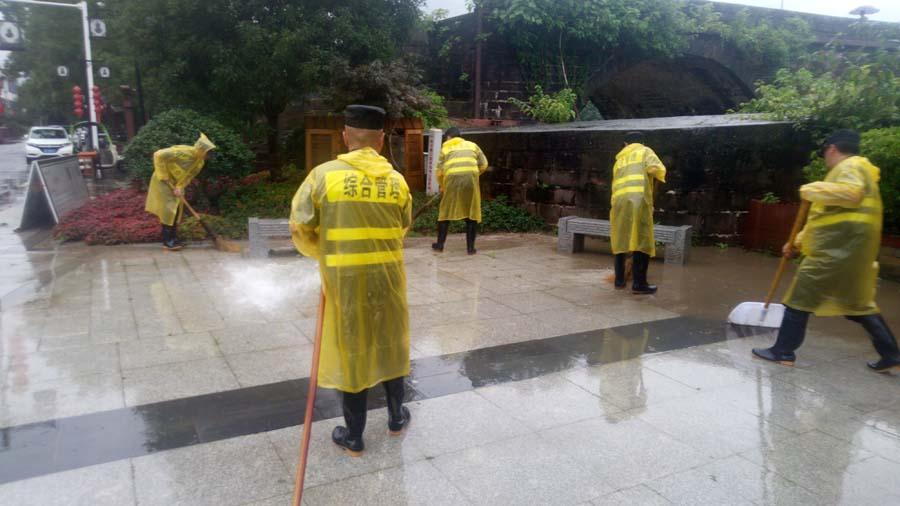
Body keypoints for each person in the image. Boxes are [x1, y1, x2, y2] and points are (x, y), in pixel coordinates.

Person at [290, 105, 413, 456]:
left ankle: (354, 437)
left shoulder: (323, 176)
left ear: (345, 137)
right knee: (391, 342)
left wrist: (323, 253)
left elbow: (299, 226)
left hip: (345, 281)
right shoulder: (397, 181)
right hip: (389, 279)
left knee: (352, 348)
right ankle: (395, 418)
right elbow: (402, 226)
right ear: (381, 140)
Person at [753, 129, 900, 373]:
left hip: (833, 254)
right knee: (859, 305)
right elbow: (823, 219)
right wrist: (797, 242)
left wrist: (813, 188)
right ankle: (891, 354)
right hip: (852, 254)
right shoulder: (859, 170)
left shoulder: (851, 166)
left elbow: (851, 194)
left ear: (831, 149)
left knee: (799, 299)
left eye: (825, 153)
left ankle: (783, 351)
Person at [610, 131, 666, 294]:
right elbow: (657, 169)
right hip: (638, 201)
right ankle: (639, 284)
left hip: (618, 202)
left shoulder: (619, 159)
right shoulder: (645, 151)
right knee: (642, 239)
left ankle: (619, 281)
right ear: (642, 142)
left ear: (626, 144)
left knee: (621, 238)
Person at [144, 133, 216, 251]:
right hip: (163, 181)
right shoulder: (181, 152)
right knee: (168, 211)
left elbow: (189, 177)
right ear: (201, 150)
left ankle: (173, 238)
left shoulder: (199, 162)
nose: (208, 157)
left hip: (176, 185)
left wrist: (180, 187)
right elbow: (158, 155)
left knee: (176, 210)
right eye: (207, 154)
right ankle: (168, 241)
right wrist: (164, 176)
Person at [432, 127, 488, 255]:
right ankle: (470, 249)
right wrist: (474, 175)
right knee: (471, 213)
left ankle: (439, 245)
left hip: (451, 180)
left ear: (448, 137)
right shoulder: (473, 146)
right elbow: (484, 164)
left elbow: (439, 172)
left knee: (445, 212)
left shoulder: (445, 149)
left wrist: (443, 186)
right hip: (470, 180)